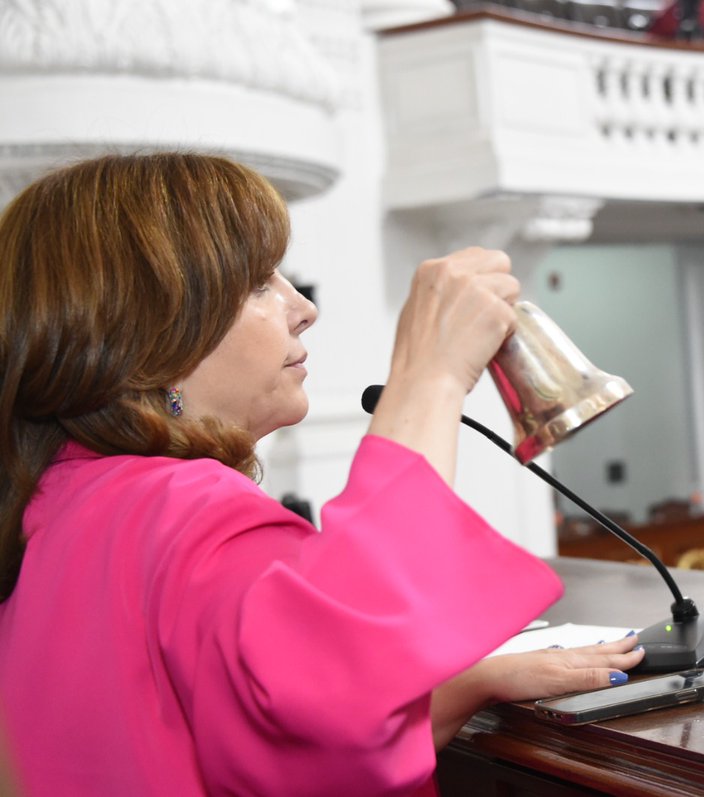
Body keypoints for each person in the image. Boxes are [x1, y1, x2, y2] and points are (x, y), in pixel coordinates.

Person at [0, 153, 643, 796]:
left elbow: (257, 744)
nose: (302, 307)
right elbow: (333, 695)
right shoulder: (178, 506)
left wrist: (471, 685)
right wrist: (430, 375)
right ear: (153, 333)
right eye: (257, 282)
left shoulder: (56, 498)